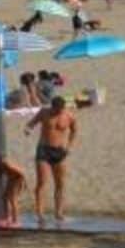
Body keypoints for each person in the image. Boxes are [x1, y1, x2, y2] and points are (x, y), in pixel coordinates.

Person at [26, 96, 77, 227]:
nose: (58, 112)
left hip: (59, 151)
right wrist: (28, 129)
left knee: (60, 183)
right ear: (52, 107)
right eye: (56, 110)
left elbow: (74, 130)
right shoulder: (44, 112)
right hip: (44, 150)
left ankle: (59, 212)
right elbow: (31, 123)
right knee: (42, 182)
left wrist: (69, 146)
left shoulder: (69, 116)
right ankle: (40, 214)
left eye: (60, 110)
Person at [0, 153, 28, 227]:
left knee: (12, 199)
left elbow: (21, 173)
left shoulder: (6, 164)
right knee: (5, 197)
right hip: (11, 178)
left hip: (18, 178)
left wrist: (24, 184)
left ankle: (16, 221)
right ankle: (7, 218)